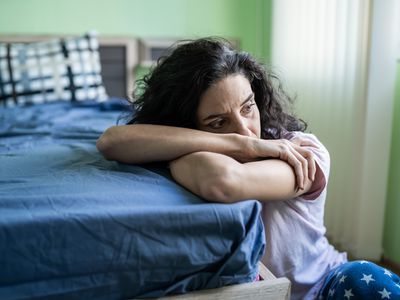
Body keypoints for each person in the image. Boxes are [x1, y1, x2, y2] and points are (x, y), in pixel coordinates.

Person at [96, 38, 400, 299]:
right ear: (187, 126)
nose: (245, 131)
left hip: (325, 287)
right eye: (218, 122)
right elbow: (111, 142)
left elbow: (223, 181)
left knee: (363, 279)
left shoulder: (302, 152)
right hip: (260, 292)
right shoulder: (235, 146)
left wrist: (188, 143)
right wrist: (246, 147)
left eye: (248, 107)